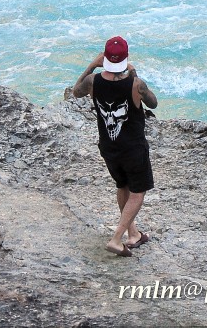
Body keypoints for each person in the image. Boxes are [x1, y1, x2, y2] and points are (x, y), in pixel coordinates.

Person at [71, 35, 158, 257]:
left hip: (109, 148)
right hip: (133, 149)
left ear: (105, 58)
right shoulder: (135, 84)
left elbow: (75, 91)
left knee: (123, 187)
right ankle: (116, 238)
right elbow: (153, 102)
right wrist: (134, 74)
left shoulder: (93, 81)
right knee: (138, 193)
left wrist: (91, 65)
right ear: (126, 58)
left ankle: (134, 234)